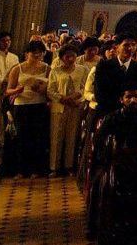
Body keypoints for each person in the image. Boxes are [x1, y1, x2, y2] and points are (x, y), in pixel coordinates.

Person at [5, 40, 50, 177]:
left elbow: (52, 89)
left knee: (38, 137)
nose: (37, 55)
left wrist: (43, 89)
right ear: (27, 54)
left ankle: (36, 168)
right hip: (22, 105)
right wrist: (17, 90)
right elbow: (8, 91)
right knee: (22, 137)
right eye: (34, 52)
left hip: (39, 104)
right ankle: (21, 168)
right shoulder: (18, 68)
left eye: (40, 53)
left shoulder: (47, 69)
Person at [47, 45, 87, 175]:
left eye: (73, 56)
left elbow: (84, 86)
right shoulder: (56, 71)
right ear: (62, 57)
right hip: (59, 106)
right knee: (56, 136)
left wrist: (75, 97)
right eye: (67, 56)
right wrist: (63, 98)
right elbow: (50, 90)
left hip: (75, 106)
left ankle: (69, 165)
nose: (70, 59)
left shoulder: (82, 69)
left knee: (72, 136)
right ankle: (54, 166)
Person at [92, 34, 137, 119]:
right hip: (108, 114)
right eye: (126, 45)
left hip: (131, 115)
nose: (130, 48)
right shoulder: (104, 66)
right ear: (117, 46)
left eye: (133, 45)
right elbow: (100, 94)